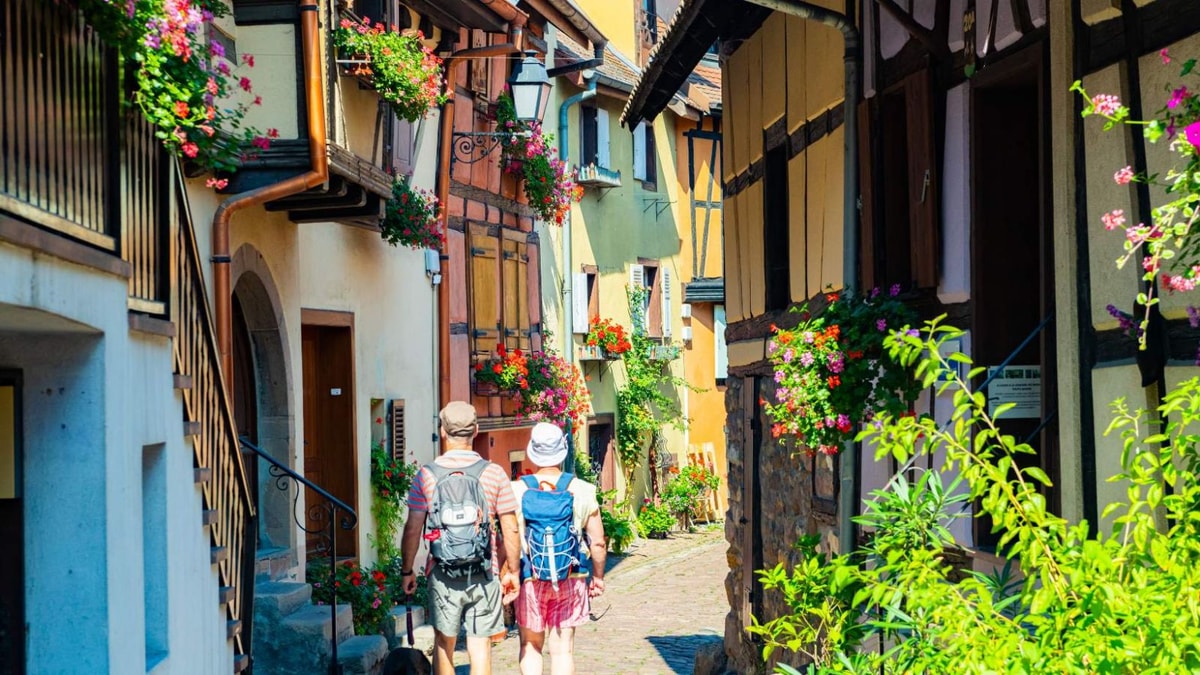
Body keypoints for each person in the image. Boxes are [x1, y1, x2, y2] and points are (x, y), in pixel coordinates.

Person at [401, 401, 521, 675]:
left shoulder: (426, 476)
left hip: (442, 572)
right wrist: (512, 570)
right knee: (480, 645)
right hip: (485, 571)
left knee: (444, 643)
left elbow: (412, 528)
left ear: (442, 431)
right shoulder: (494, 473)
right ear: (477, 430)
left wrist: (407, 570)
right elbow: (510, 527)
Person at [512, 423, 607, 675]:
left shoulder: (517, 490)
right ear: (563, 451)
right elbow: (597, 542)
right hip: (571, 576)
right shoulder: (583, 490)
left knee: (531, 645)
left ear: (532, 451)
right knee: (563, 649)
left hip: (530, 577)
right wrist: (597, 577)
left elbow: (508, 537)